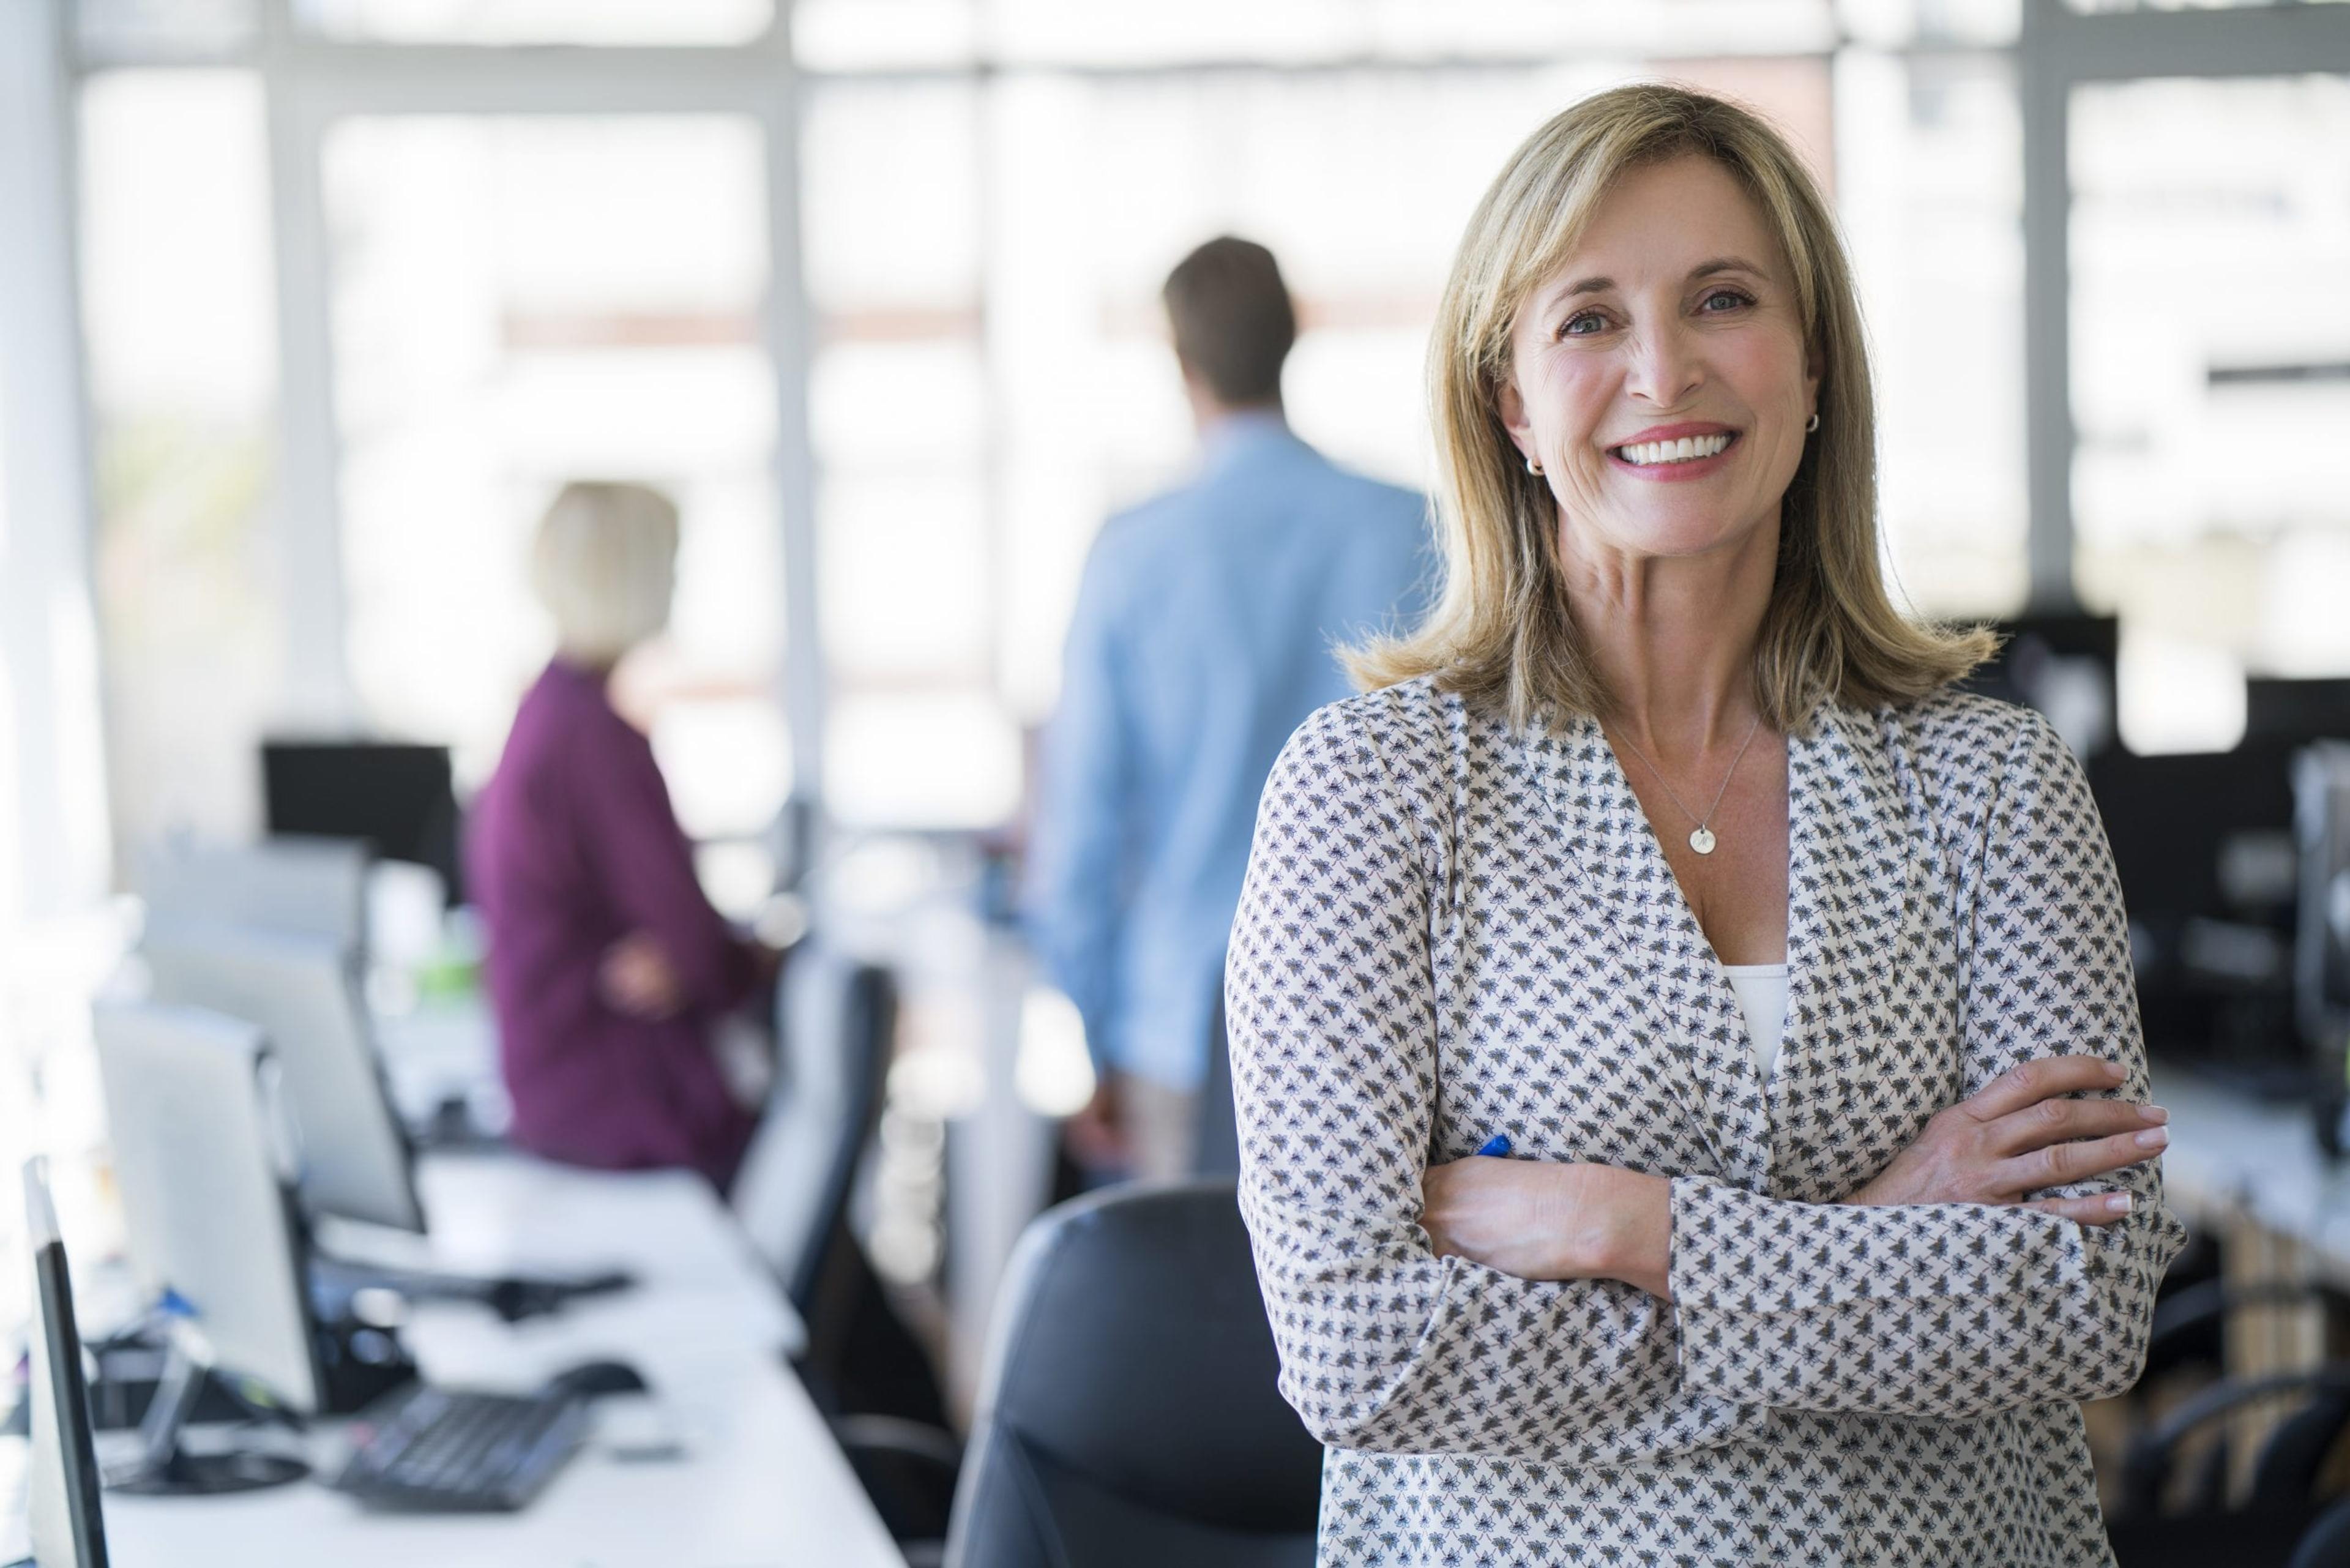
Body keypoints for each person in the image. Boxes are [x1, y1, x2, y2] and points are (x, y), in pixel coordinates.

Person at [1226, 84, 2186, 1566]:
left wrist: (1632, 1229)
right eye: (1588, 319)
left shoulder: (1989, 784)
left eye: (1720, 299)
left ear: (1810, 368)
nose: (1661, 371)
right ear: (1509, 403)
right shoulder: (1372, 791)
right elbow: (1360, 1354)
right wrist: (1876, 1230)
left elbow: (2080, 1303)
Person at [1026, 236, 1431, 1182]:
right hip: (1387, 1017)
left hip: (1181, 1020)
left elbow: (1079, 825)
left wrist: (1092, 1031)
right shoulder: (1414, 525)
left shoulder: (1133, 553)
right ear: (1293, 339)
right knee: (1363, 1321)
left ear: (1179, 362)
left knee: (1197, 1314)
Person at [467, 480, 775, 1192]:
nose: (675, 586)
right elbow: (703, 957)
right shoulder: (597, 742)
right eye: (667, 566)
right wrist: (759, 958)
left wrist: (683, 956)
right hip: (620, 1105)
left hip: (554, 1091)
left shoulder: (542, 712)